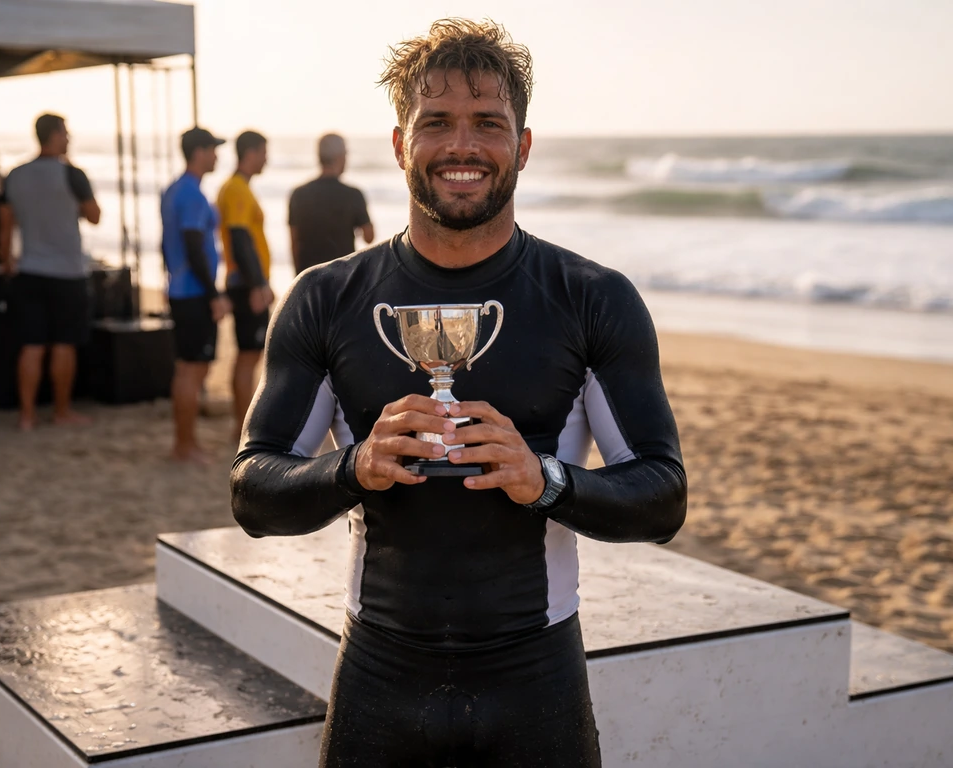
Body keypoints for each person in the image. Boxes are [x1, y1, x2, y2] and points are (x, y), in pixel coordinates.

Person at [231, 19, 687, 767]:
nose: (462, 146)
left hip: (537, 683)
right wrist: (355, 468)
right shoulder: (326, 298)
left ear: (524, 146)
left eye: (488, 124)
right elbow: (253, 490)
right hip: (379, 678)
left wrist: (547, 481)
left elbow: (663, 497)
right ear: (401, 144)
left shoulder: (593, 298)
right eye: (435, 123)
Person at [0, 113, 101, 431]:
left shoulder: (15, 174)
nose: (68, 138)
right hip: (67, 272)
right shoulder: (72, 174)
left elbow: (5, 223)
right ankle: (61, 410)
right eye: (66, 133)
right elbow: (94, 215)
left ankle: (26, 416)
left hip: (29, 269)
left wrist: (7, 262)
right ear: (56, 135)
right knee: (63, 344)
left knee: (31, 344)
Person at [160, 127, 230, 464]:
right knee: (193, 370)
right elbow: (192, 245)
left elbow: (167, 245)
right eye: (213, 149)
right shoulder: (191, 194)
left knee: (187, 368)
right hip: (193, 292)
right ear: (199, 152)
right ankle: (183, 445)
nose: (217, 155)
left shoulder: (174, 190)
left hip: (181, 289)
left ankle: (184, 442)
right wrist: (213, 293)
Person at [217, 130, 275, 440]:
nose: (267, 158)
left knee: (249, 355)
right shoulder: (236, 189)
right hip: (244, 283)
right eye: (264, 152)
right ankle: (241, 427)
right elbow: (240, 240)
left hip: (245, 282)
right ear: (250, 153)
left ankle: (240, 425)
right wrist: (257, 284)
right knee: (248, 355)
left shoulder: (239, 188)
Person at [287, 133, 374, 274]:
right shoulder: (353, 194)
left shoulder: (298, 194)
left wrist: (297, 277)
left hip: (309, 275)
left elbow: (294, 243)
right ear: (340, 156)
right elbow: (369, 237)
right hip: (343, 276)